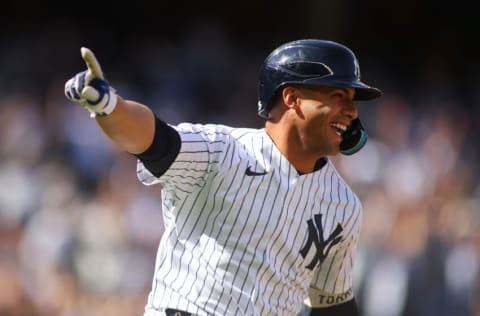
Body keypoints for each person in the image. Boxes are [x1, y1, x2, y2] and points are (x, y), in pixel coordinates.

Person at [64, 39, 382, 316]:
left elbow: (333, 307)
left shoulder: (344, 206)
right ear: (292, 98)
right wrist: (109, 105)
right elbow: (153, 139)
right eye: (339, 96)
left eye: (353, 100)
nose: (352, 112)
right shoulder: (224, 151)